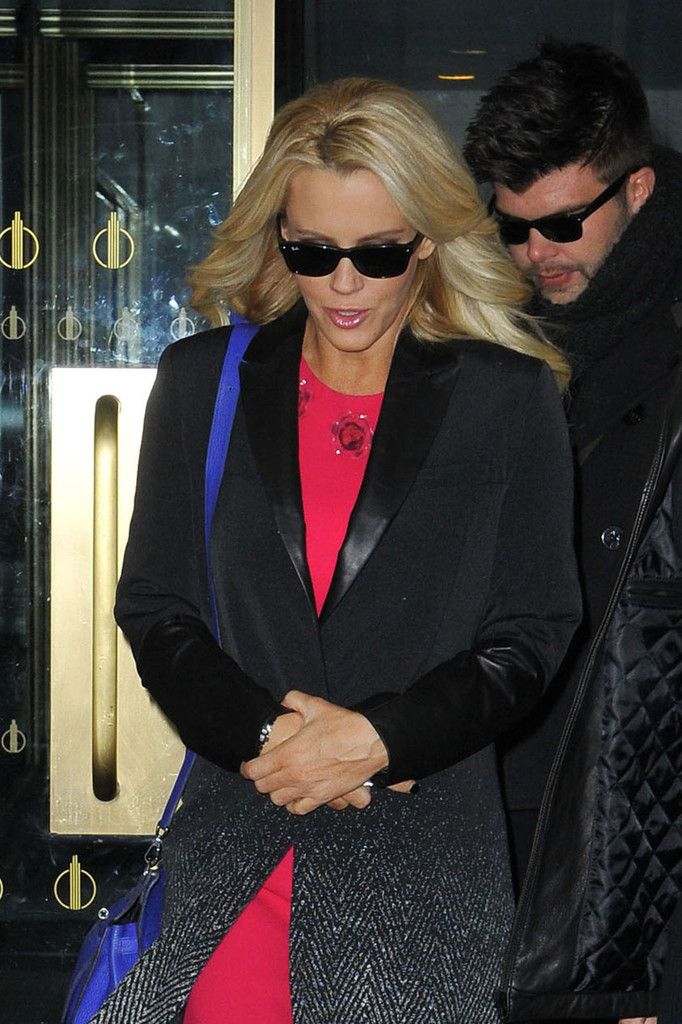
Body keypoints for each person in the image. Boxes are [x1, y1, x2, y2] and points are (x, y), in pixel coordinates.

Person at [91, 77, 580, 1024]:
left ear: (427, 237)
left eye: (377, 252)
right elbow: (157, 607)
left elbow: (535, 629)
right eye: (313, 251)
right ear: (278, 236)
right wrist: (269, 739)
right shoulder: (204, 382)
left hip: (423, 880)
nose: (344, 284)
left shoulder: (508, 398)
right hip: (239, 854)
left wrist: (381, 738)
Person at [464, 37, 682, 1024]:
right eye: (512, 228)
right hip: (489, 810)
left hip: (636, 848)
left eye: (561, 223)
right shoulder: (486, 339)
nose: (535, 253)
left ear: (638, 187)